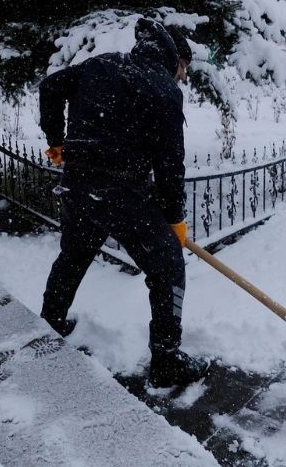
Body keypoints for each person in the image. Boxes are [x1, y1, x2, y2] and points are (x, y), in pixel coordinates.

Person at [36, 19, 210, 388]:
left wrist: (57, 140)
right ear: (175, 59)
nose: (182, 77)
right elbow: (169, 166)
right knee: (167, 266)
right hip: (118, 192)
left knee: (74, 255)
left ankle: (49, 323)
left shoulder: (103, 63)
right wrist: (174, 221)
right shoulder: (163, 88)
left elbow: (50, 86)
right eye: (184, 68)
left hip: (78, 184)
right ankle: (166, 361)